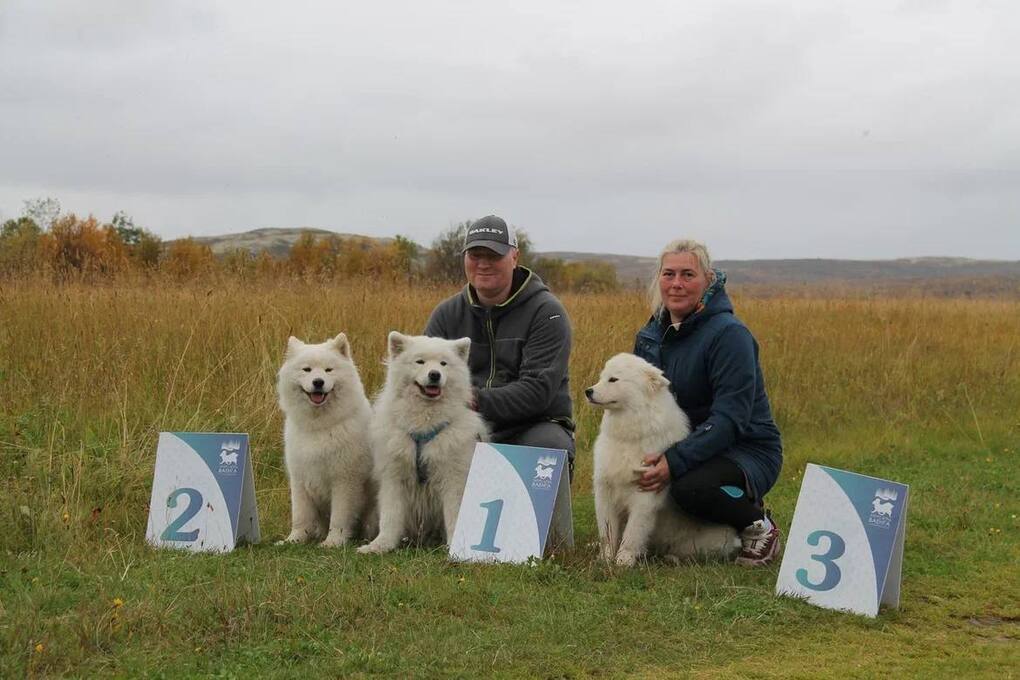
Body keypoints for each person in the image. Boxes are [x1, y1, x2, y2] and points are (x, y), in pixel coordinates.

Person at [633, 239, 783, 566]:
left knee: (689, 488)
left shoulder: (730, 336)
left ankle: (757, 524)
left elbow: (731, 418)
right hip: (685, 443)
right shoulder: (650, 334)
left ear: (708, 280)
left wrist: (674, 460)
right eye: (669, 273)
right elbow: (639, 404)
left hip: (744, 448)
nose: (676, 284)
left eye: (688, 274)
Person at [424, 215, 575, 476]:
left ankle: (543, 516)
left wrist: (471, 399)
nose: (483, 264)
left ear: (514, 257)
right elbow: (421, 375)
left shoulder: (547, 313)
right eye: (475, 255)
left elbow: (537, 392)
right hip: (462, 422)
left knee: (547, 448)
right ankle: (431, 517)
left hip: (533, 425)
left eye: (493, 255)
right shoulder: (447, 314)